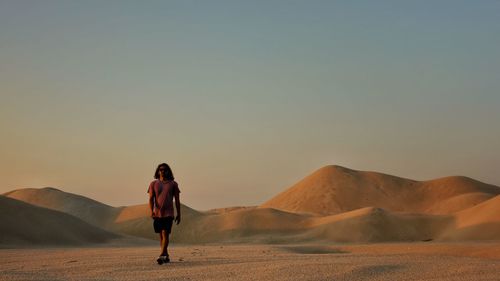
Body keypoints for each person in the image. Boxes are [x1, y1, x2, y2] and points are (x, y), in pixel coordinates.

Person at [148, 162, 181, 264]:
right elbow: (151, 199)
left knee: (165, 233)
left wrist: (179, 214)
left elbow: (177, 200)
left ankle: (162, 255)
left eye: (165, 169)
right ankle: (166, 256)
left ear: (168, 171)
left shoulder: (173, 184)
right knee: (161, 236)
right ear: (158, 171)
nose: (163, 171)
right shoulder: (153, 184)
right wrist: (151, 211)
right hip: (157, 213)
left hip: (169, 213)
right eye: (161, 169)